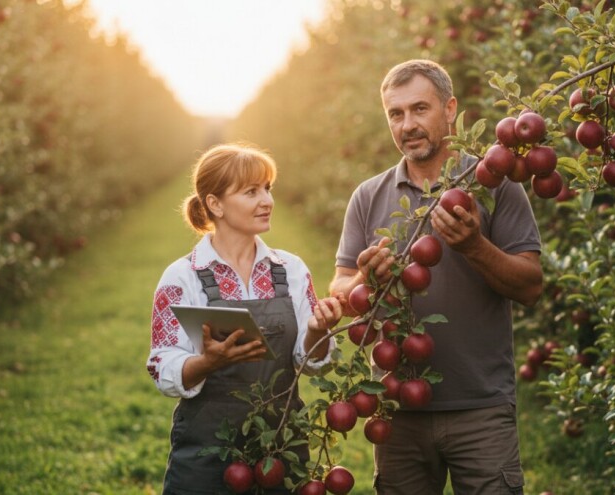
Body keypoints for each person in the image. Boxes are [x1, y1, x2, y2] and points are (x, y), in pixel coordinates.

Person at [329, 59, 543, 495]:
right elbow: (339, 286)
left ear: (449, 109)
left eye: (419, 109)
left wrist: (474, 247)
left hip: (480, 410)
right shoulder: (368, 196)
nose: (407, 124)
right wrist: (364, 281)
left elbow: (530, 286)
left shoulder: (493, 183)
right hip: (397, 410)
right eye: (396, 113)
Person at [147, 143, 342, 494]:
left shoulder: (291, 271)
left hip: (280, 446)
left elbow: (311, 363)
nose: (266, 200)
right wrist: (206, 362)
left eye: (268, 188)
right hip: (207, 452)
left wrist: (317, 330)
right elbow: (163, 367)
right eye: (251, 191)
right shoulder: (183, 277)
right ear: (215, 204)